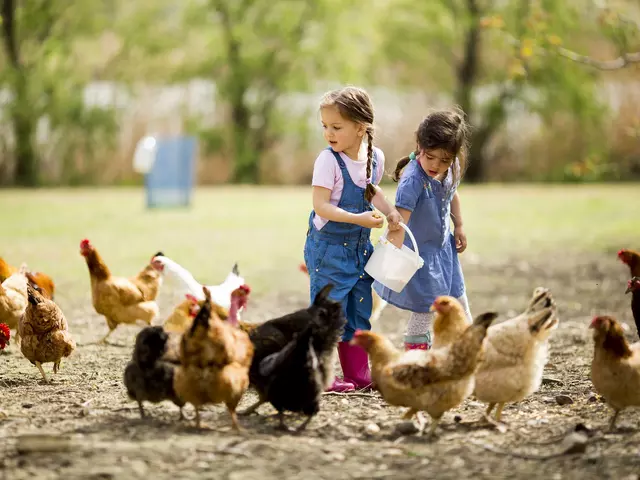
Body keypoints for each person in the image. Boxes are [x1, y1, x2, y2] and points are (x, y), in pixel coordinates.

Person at [303, 86, 402, 392]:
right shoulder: (328, 161)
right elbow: (321, 206)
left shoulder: (375, 158)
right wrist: (359, 219)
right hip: (328, 249)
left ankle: (357, 373)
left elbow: (371, 191)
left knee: (359, 309)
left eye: (336, 127)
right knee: (328, 313)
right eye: (325, 126)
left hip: (360, 249)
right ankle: (322, 374)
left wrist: (389, 211)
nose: (328, 134)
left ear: (361, 128)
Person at [374, 107, 472, 351]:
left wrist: (458, 225)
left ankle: (469, 351)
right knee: (424, 311)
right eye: (431, 157)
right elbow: (400, 224)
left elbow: (452, 195)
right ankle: (415, 358)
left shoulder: (450, 169)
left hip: (444, 253)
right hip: (420, 258)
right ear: (420, 145)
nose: (437, 165)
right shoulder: (413, 181)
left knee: (459, 303)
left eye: (445, 160)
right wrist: (386, 261)